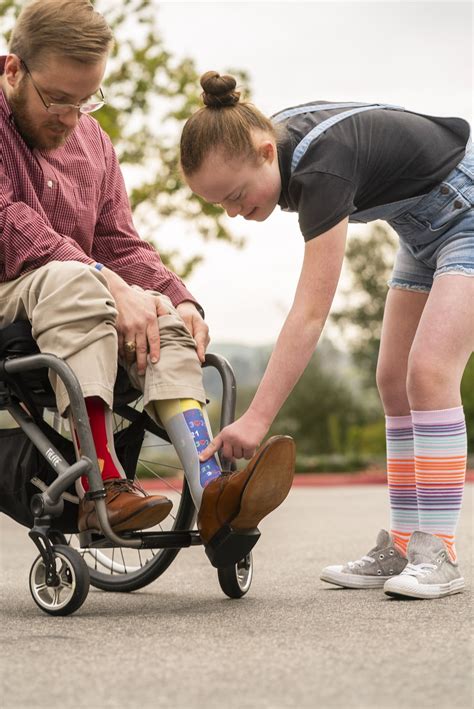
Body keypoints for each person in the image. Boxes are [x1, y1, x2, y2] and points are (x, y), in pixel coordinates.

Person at [0, 2, 295, 564]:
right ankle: (102, 487)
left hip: (72, 295)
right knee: (76, 279)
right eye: (58, 99)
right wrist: (106, 281)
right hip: (11, 288)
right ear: (13, 69)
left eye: (87, 99)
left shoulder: (94, 143)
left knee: (159, 309)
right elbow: (9, 222)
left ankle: (213, 490)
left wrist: (177, 297)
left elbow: (117, 240)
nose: (71, 116)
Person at [179, 70, 473, 599]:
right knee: (392, 381)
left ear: (267, 152)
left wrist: (257, 418)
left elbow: (311, 313)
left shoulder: (321, 170)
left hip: (466, 215)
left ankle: (440, 552)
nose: (233, 212)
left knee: (429, 373)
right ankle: (404, 546)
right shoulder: (274, 143)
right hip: (420, 229)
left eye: (236, 194)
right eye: (218, 203)